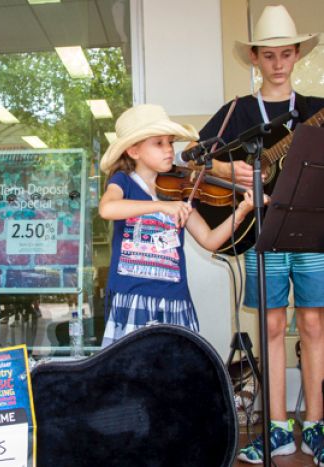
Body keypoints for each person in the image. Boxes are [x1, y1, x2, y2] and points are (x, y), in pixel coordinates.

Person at [196, 5, 324, 464]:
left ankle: (315, 426)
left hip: (312, 231)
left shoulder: (315, 111)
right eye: (268, 55)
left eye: (286, 54)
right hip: (260, 233)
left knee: (312, 325)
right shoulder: (237, 112)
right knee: (270, 326)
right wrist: (245, 174)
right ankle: (274, 430)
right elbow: (199, 159)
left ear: (296, 57)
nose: (277, 63)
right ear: (254, 58)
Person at [98, 104, 258, 347]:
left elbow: (210, 239)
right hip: (132, 298)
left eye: (170, 143)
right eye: (159, 143)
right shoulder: (124, 182)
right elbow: (107, 208)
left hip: (174, 300)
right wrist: (160, 207)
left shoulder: (179, 191)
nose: (169, 150)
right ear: (133, 151)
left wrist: (242, 211)